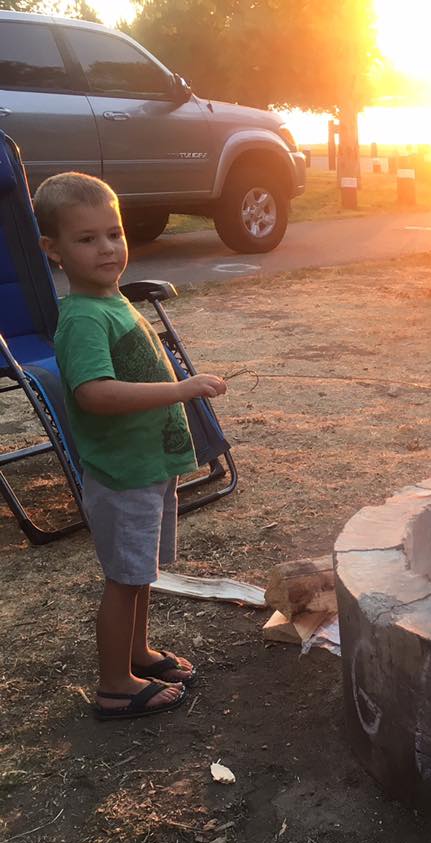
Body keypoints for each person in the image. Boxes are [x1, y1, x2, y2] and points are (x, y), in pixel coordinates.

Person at [34, 172, 227, 720]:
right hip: (121, 473)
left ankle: (136, 653)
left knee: (139, 571)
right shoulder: (83, 319)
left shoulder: (112, 301)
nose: (107, 248)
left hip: (147, 465)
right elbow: (93, 394)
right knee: (123, 579)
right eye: (86, 238)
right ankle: (115, 684)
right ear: (53, 250)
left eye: (113, 234)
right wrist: (181, 388)